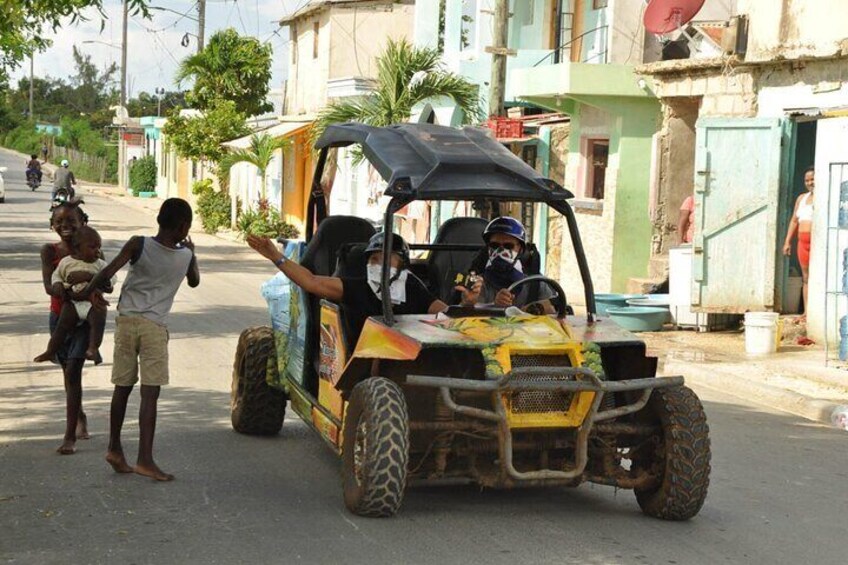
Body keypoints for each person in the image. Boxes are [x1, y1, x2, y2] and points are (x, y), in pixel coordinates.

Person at [82, 198, 200, 481]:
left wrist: (90, 291)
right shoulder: (185, 256)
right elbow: (194, 281)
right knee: (150, 393)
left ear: (159, 219)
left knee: (121, 387)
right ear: (184, 227)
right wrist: (192, 252)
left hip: (126, 322)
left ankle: (114, 449)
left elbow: (107, 272)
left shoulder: (139, 243)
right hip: (153, 328)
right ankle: (145, 459)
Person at [247, 231, 447, 343]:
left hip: (409, 355)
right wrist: (276, 257)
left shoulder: (412, 287)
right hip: (362, 361)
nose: (378, 265)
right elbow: (311, 282)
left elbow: (445, 312)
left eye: (385, 259)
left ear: (402, 263)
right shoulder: (356, 287)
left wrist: (467, 303)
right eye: (373, 260)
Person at [40, 199, 107, 454]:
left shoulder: (95, 250)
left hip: (86, 318)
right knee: (68, 372)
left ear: (83, 223)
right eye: (59, 221)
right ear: (52, 225)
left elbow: (105, 280)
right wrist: (67, 291)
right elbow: (49, 286)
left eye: (71, 221)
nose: (65, 225)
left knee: (73, 372)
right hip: (61, 316)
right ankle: (78, 413)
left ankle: (70, 436)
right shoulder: (50, 251)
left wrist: (89, 282)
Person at [34, 226, 114, 364]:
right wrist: (58, 284)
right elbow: (57, 275)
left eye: (98, 247)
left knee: (98, 323)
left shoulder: (100, 264)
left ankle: (93, 348)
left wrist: (90, 277)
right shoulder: (67, 262)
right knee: (62, 326)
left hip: (92, 304)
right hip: (72, 303)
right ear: (78, 248)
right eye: (92, 247)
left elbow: (109, 279)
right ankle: (51, 350)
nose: (97, 251)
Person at [456, 216, 555, 314]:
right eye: (494, 245)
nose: (501, 251)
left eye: (508, 246)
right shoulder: (477, 284)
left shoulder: (536, 284)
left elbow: (556, 316)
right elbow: (462, 321)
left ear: (520, 250)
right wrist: (468, 303)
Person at [783, 166, 815, 320]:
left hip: (816, 243)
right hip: (802, 243)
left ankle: (816, 313)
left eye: (812, 179)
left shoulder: (823, 197)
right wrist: (787, 241)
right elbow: (794, 221)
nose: (810, 182)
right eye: (807, 180)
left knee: (818, 277)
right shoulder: (801, 199)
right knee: (806, 278)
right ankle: (806, 312)